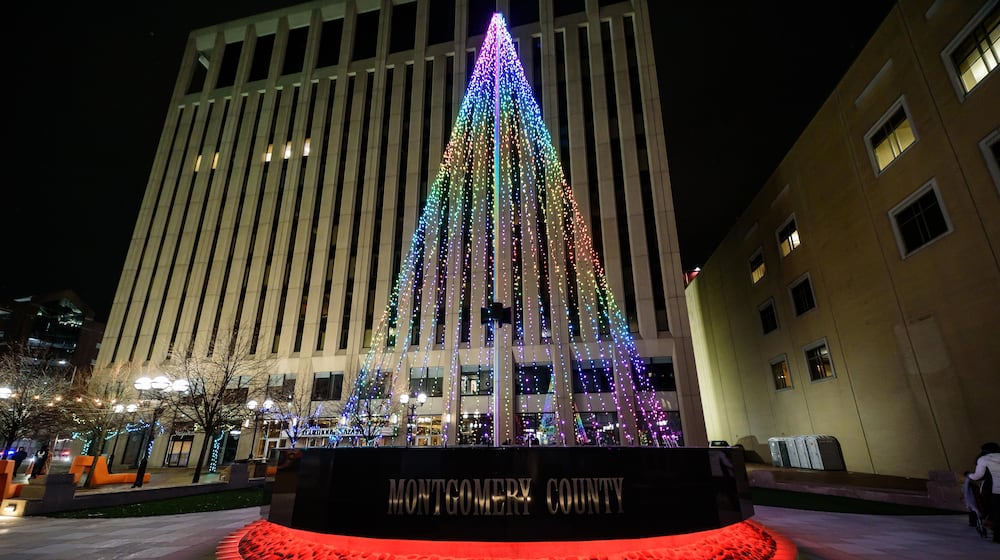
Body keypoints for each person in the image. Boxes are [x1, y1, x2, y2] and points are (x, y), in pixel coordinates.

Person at [967, 441, 1000, 543]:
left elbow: (978, 476)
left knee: (997, 513)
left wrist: (969, 475)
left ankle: (998, 537)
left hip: (997, 490)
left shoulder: (983, 459)